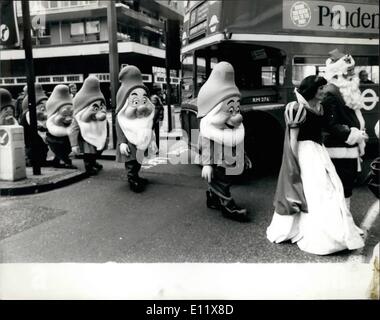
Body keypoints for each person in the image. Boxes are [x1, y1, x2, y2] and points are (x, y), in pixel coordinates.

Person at [267, 75, 364, 255]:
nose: (323, 91)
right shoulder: (297, 108)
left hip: (319, 152)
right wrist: (292, 163)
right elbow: (293, 138)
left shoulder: (319, 108)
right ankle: (320, 233)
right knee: (315, 191)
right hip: (305, 154)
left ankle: (336, 230)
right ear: (312, 90)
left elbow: (330, 127)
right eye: (320, 89)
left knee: (328, 189)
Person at [198, 61, 252, 222]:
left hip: (228, 161)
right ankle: (228, 207)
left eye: (236, 109)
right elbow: (206, 148)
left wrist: (245, 157)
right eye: (230, 110)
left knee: (222, 182)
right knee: (222, 184)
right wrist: (207, 164)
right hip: (218, 163)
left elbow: (237, 143)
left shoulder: (229, 130)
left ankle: (213, 198)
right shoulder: (209, 131)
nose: (236, 116)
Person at [322, 49, 368, 210]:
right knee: (341, 186)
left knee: (346, 185)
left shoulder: (342, 90)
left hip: (346, 149)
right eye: (349, 72)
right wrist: (355, 135)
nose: (353, 76)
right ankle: (342, 222)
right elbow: (331, 125)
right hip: (338, 150)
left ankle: (344, 220)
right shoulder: (331, 93)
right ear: (339, 74)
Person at [116, 65, 155, 193]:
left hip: (141, 140)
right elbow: (119, 128)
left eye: (144, 101)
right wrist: (121, 142)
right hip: (129, 141)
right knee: (131, 161)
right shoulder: (122, 118)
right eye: (135, 102)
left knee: (138, 160)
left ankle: (136, 176)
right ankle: (132, 179)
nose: (141, 107)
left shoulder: (143, 117)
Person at [69, 76, 109, 175]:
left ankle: (93, 162)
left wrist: (107, 136)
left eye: (101, 107)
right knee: (89, 152)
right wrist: (74, 144)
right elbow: (73, 128)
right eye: (95, 108)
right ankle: (89, 166)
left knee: (97, 150)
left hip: (97, 133)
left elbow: (105, 122)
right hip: (85, 135)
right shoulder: (78, 116)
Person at [45, 85, 77, 169]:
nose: (68, 118)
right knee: (59, 148)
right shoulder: (52, 121)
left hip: (65, 135)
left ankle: (58, 161)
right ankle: (66, 162)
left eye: (70, 114)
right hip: (55, 137)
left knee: (65, 148)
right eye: (64, 114)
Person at [19, 84, 49, 167]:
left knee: (42, 148)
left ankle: (41, 160)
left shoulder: (37, 101)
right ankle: (31, 160)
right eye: (42, 108)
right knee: (33, 147)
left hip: (38, 131)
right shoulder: (28, 111)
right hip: (31, 133)